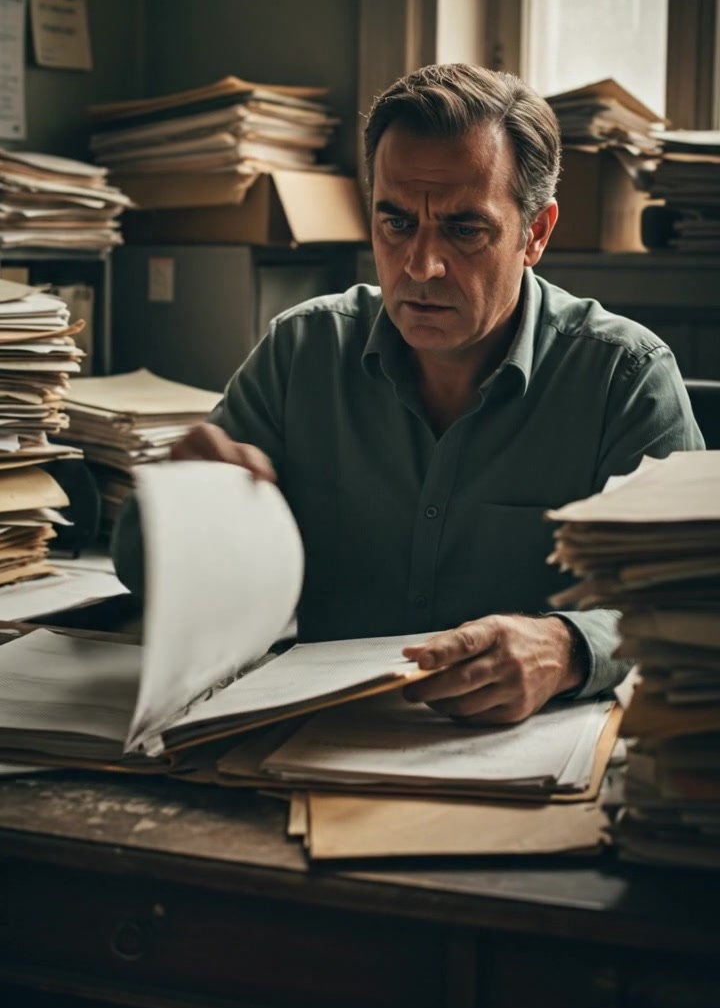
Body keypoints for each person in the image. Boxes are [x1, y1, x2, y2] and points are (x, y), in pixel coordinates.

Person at [111, 63, 704, 725]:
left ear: (535, 234)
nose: (420, 267)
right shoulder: (301, 353)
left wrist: (566, 649)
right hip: (313, 747)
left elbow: (691, 603)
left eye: (463, 229)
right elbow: (142, 571)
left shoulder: (624, 377)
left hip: (527, 761)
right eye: (396, 223)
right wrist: (179, 508)